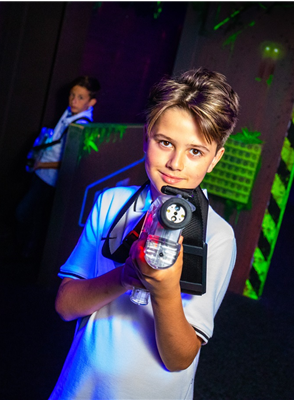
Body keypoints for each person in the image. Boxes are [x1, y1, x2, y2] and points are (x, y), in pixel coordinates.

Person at [49, 68, 240, 399]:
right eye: (165, 143)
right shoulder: (110, 203)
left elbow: (179, 358)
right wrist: (126, 276)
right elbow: (66, 306)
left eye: (195, 151)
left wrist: (164, 291)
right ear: (146, 138)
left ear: (215, 159)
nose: (176, 163)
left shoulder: (218, 236)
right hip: (81, 386)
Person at [15, 76, 100, 260]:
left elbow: (72, 161)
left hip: (50, 179)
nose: (73, 100)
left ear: (91, 102)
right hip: (41, 173)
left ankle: (26, 256)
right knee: (34, 217)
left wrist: (42, 164)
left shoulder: (82, 126)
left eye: (80, 97)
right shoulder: (70, 112)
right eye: (72, 95)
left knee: (27, 214)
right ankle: (25, 253)